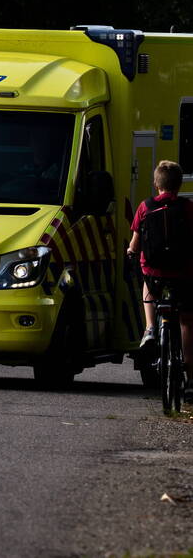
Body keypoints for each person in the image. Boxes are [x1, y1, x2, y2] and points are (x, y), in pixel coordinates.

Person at [127, 160, 193, 396]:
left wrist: (131, 252)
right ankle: (190, 375)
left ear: (156, 184)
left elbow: (135, 244)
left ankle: (150, 328)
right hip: (183, 273)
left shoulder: (145, 207)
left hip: (154, 273)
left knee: (148, 286)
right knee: (186, 321)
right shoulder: (187, 207)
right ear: (179, 184)